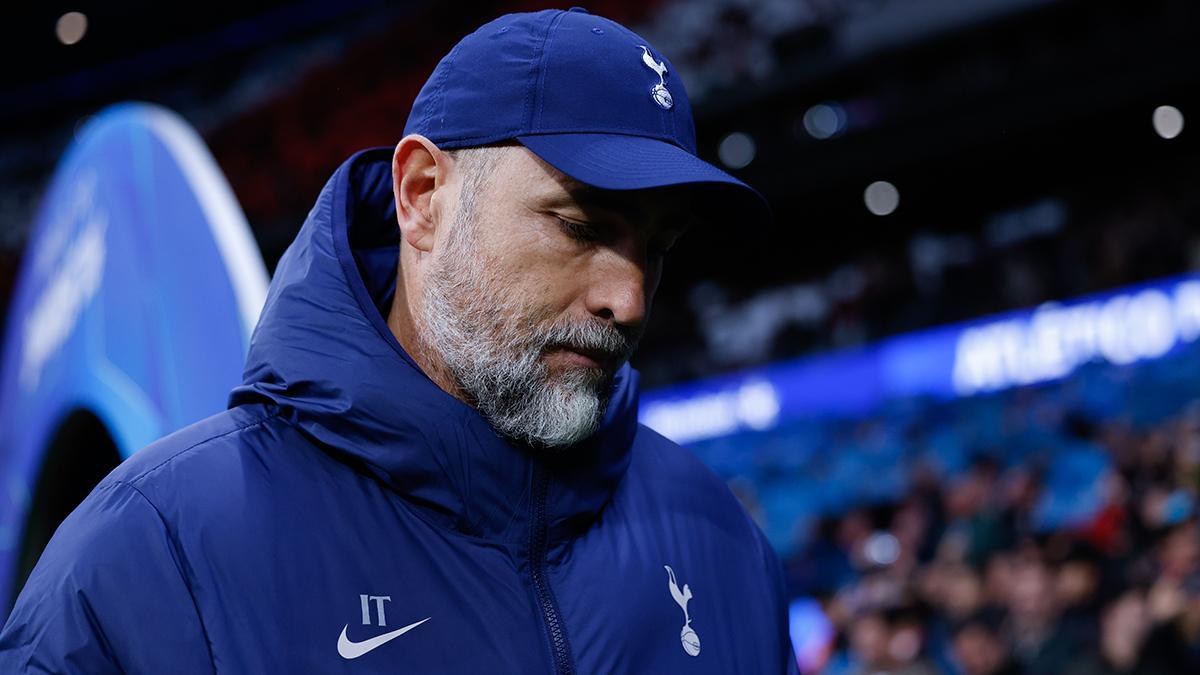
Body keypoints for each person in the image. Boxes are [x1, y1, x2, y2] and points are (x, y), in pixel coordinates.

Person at [0, 8, 795, 674]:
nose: (627, 299)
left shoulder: (725, 547)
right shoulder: (152, 554)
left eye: (656, 248)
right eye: (580, 225)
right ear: (421, 196)